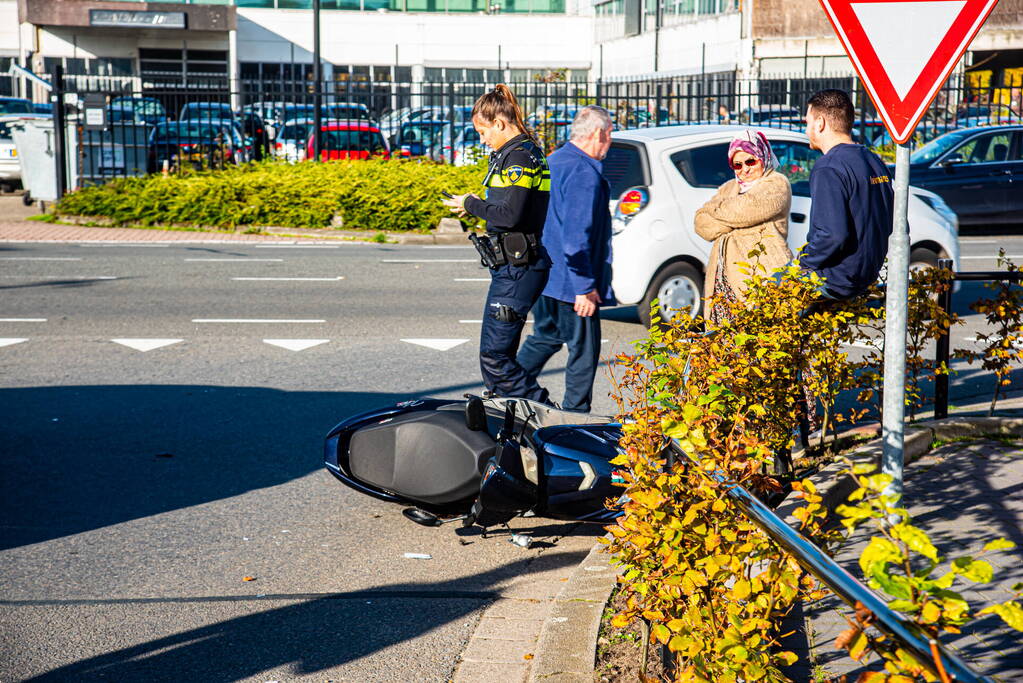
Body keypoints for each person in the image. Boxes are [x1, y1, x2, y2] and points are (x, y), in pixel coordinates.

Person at [443, 85, 552, 403]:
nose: (482, 139)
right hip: (514, 267)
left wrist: (472, 203)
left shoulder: (519, 157)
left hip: (518, 269)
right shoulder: (519, 152)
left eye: (483, 131)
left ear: (500, 123)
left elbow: (509, 215)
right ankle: (515, 419)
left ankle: (545, 416)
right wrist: (475, 204)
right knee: (497, 359)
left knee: (496, 359)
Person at [516, 106, 616, 413]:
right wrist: (584, 288)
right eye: (610, 135)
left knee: (544, 338)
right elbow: (576, 237)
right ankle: (575, 416)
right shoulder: (584, 173)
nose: (610, 142)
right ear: (598, 134)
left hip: (545, 276)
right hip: (572, 282)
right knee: (584, 351)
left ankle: (504, 388)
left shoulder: (554, 161)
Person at [799, 89, 894, 300]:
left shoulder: (829, 167)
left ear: (820, 123)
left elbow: (831, 235)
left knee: (768, 291)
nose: (806, 130)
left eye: (807, 122)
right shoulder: (873, 161)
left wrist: (802, 263)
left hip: (834, 278)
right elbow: (892, 222)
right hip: (865, 275)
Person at [694, 129, 793, 324]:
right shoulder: (728, 187)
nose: (744, 169)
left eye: (750, 161)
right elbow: (701, 223)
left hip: (760, 279)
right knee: (723, 348)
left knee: (759, 344)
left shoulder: (777, 183)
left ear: (762, 157)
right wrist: (732, 217)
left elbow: (746, 210)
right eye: (737, 165)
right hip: (722, 283)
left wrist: (717, 210)